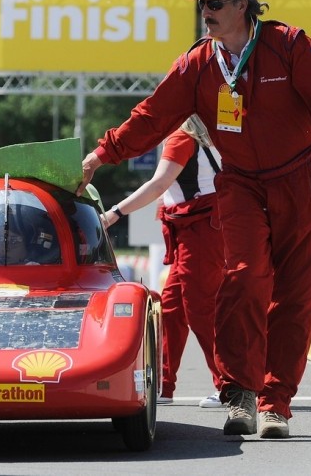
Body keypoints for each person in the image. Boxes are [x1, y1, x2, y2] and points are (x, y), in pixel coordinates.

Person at [78, 0, 311, 439]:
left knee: (297, 296)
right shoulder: (196, 64)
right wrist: (102, 154)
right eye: (201, 3)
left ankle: (275, 405)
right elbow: (152, 116)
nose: (204, 12)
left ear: (243, 5)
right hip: (241, 183)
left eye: (214, 3)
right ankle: (240, 394)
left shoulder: (289, 45)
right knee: (244, 279)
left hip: (302, 181)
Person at [101, 115, 225, 409]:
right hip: (199, 231)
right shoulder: (205, 136)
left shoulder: (181, 138)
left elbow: (158, 185)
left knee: (201, 311)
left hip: (200, 233)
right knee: (171, 309)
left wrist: (113, 213)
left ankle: (229, 385)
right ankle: (163, 386)